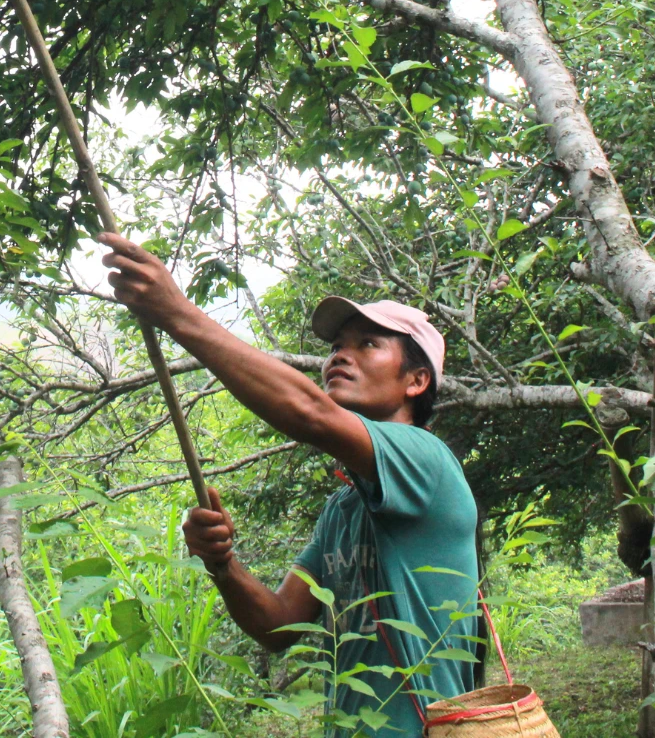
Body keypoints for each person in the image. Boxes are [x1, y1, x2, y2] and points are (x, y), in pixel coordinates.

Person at [99, 233, 481, 736]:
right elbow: (278, 625)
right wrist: (222, 564)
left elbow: (311, 414)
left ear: (416, 381)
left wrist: (175, 313)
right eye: (338, 346)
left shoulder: (426, 460)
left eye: (368, 343)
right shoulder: (343, 510)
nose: (340, 357)